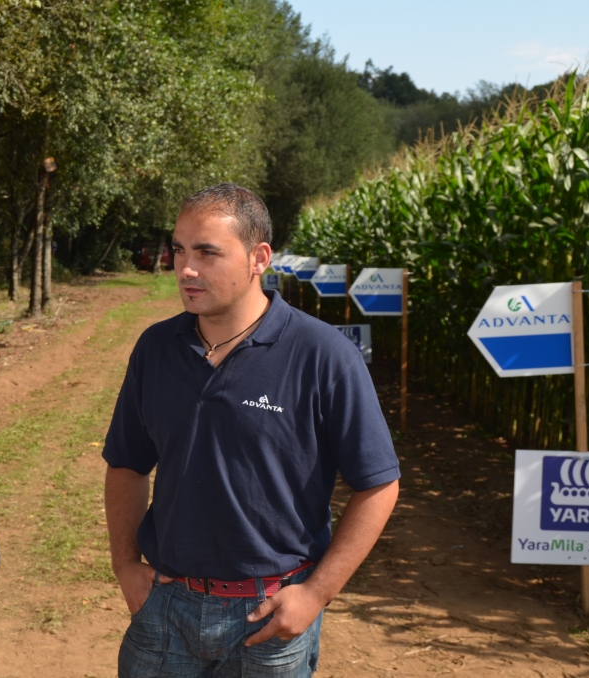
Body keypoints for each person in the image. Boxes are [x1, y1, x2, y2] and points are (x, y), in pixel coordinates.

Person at [103, 183, 400, 677]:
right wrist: (125, 567)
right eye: (179, 249)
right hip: (164, 610)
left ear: (258, 257)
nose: (186, 268)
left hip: (268, 619)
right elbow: (128, 464)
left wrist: (315, 594)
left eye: (207, 252)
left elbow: (379, 484)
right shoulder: (156, 348)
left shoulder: (322, 355)